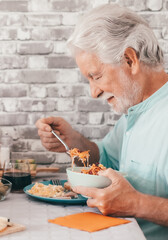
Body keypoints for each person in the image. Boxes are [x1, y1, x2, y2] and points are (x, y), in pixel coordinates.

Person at [36, 4, 168, 239]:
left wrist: (137, 204)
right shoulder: (134, 112)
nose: (93, 92)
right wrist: (74, 141)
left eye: (96, 76)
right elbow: (106, 160)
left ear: (130, 60)